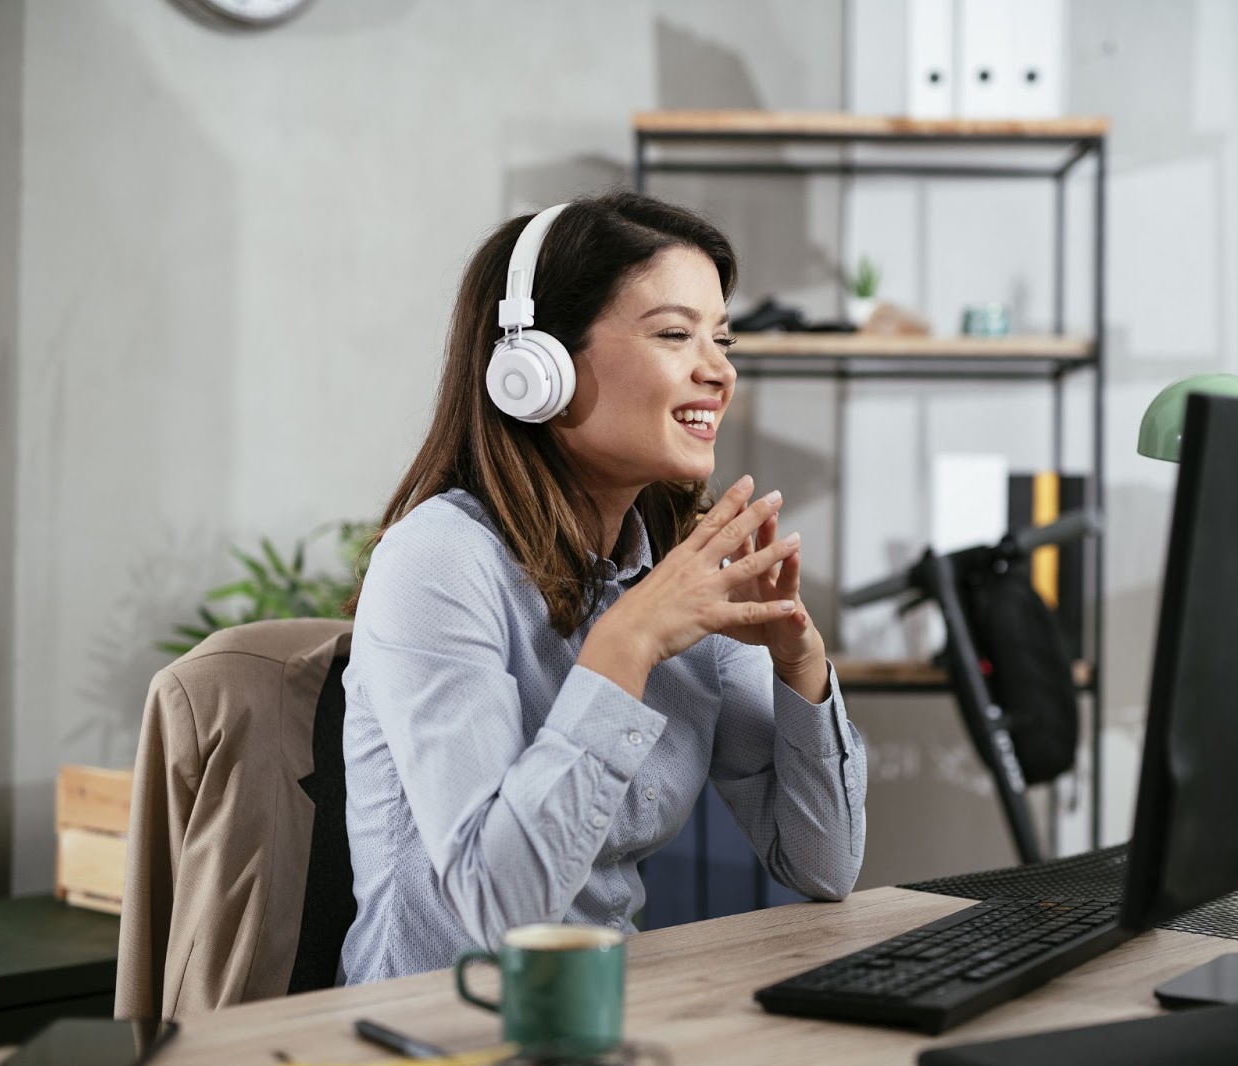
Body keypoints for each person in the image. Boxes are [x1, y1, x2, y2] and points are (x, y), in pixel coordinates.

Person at [339, 190, 867, 983]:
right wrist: (625, 647)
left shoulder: (674, 572)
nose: (718, 371)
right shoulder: (439, 563)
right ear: (534, 368)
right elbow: (500, 913)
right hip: (435, 1035)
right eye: (674, 334)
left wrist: (802, 666)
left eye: (720, 339)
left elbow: (823, 865)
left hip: (598, 1022)